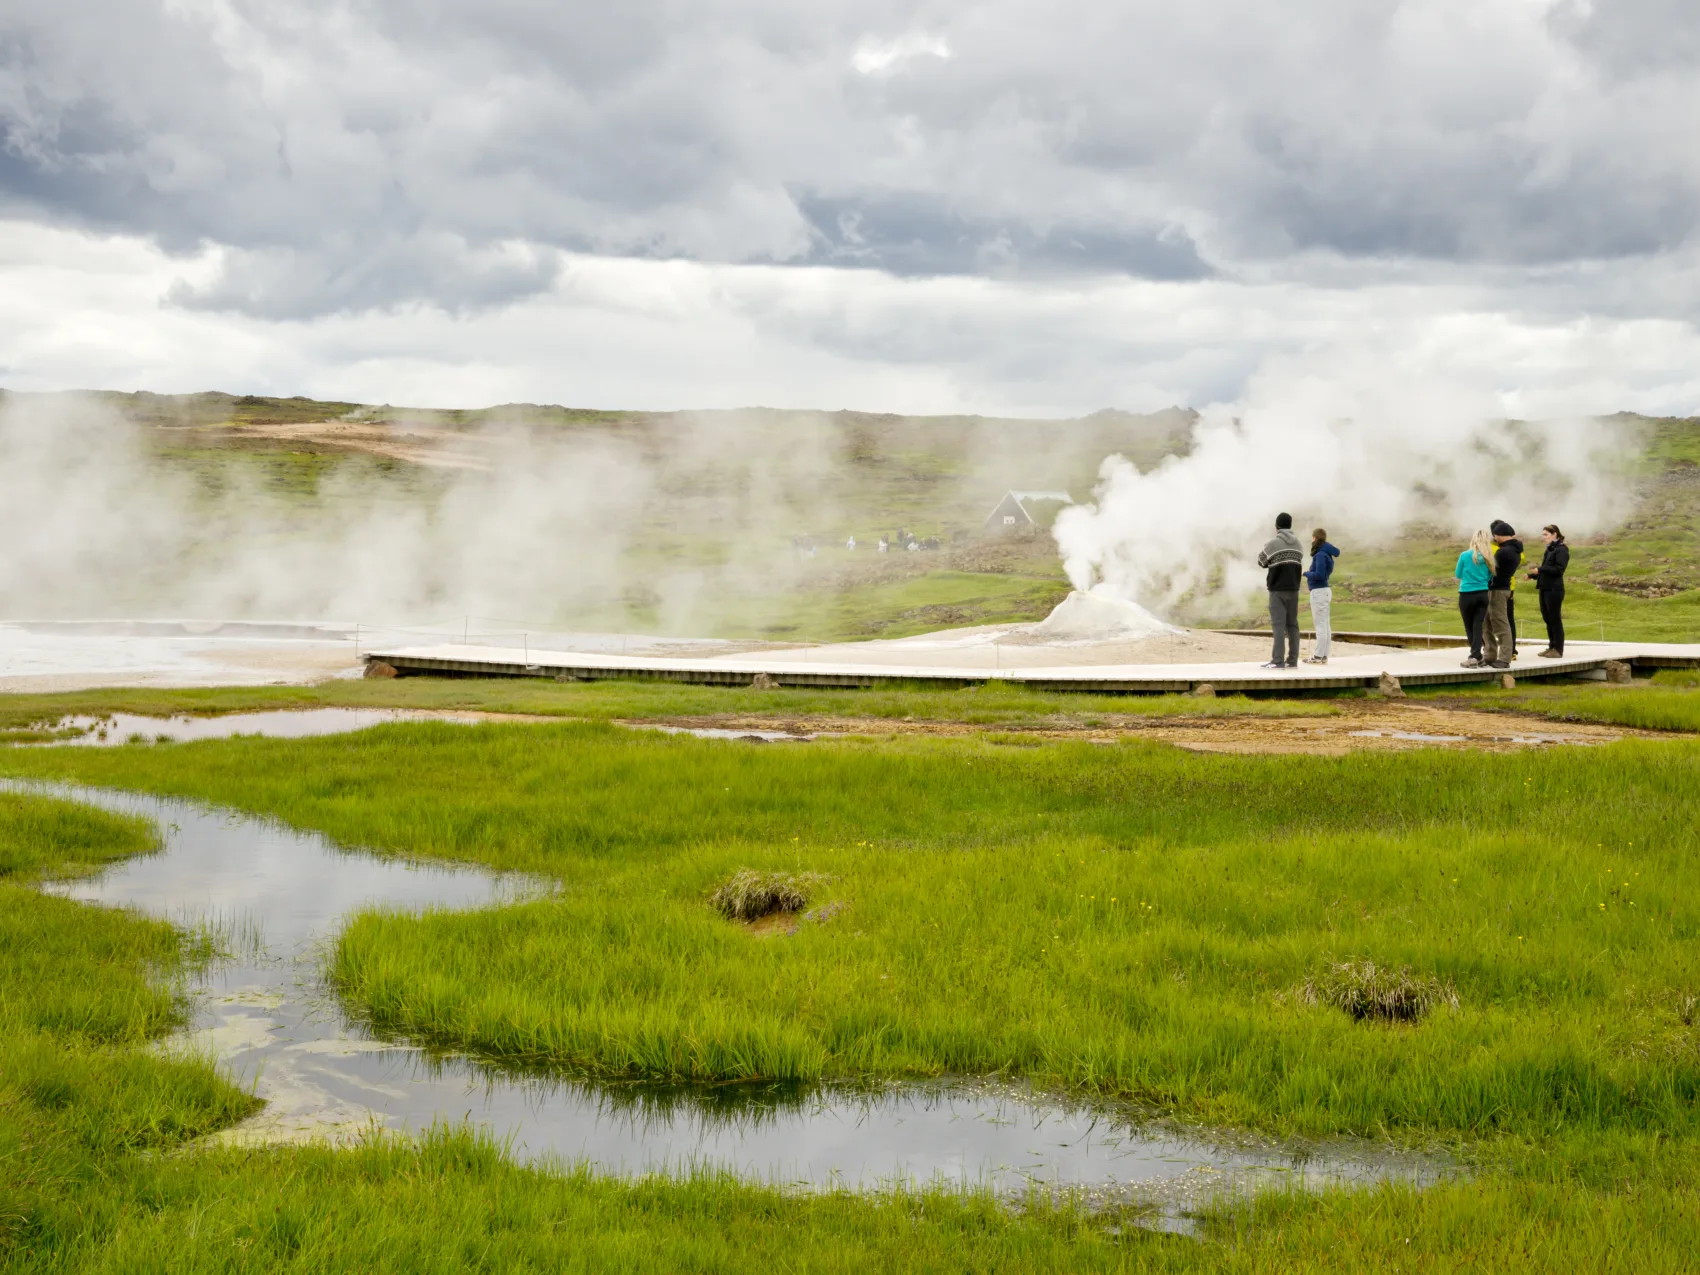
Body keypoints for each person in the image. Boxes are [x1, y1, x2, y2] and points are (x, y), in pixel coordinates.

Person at [1257, 512, 1304, 669]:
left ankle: (1278, 661)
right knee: (1293, 625)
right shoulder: (1299, 544)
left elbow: (1261, 561)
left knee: (1278, 625)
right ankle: (1292, 661)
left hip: (1277, 590)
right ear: (1290, 526)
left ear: (1277, 526)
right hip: (1294, 589)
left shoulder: (1273, 544)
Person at [1483, 520, 1523, 669]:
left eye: (1495, 535)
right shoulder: (1514, 550)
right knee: (1488, 621)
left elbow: (1492, 569)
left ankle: (1504, 657)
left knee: (1499, 622)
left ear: (1500, 535)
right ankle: (1490, 655)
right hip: (1502, 588)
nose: (1494, 538)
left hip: (1497, 589)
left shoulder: (1504, 552)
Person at [1455, 528, 1494, 667]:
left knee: (1469, 626)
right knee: (1478, 626)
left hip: (1467, 594)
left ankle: (1474, 656)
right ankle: (1477, 655)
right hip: (1483, 594)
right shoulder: (1489, 557)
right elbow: (1490, 576)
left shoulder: (1465, 555)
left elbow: (1458, 574)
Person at [1530, 524, 1569, 657]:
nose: (1544, 537)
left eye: (1546, 534)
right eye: (1543, 534)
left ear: (1555, 534)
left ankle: (1558, 649)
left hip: (1554, 589)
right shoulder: (1550, 549)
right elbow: (1547, 568)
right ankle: (1551, 646)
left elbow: (1559, 570)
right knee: (1547, 618)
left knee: (1555, 618)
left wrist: (1540, 569)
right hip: (1544, 588)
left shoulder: (1561, 549)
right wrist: (1533, 575)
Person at [1302, 529, 1341, 664]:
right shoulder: (1326, 554)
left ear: (1315, 538)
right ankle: (1323, 655)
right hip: (1324, 591)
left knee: (1320, 625)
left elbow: (1319, 575)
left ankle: (1318, 656)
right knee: (1325, 625)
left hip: (1319, 591)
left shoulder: (1319, 555)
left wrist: (1306, 573)